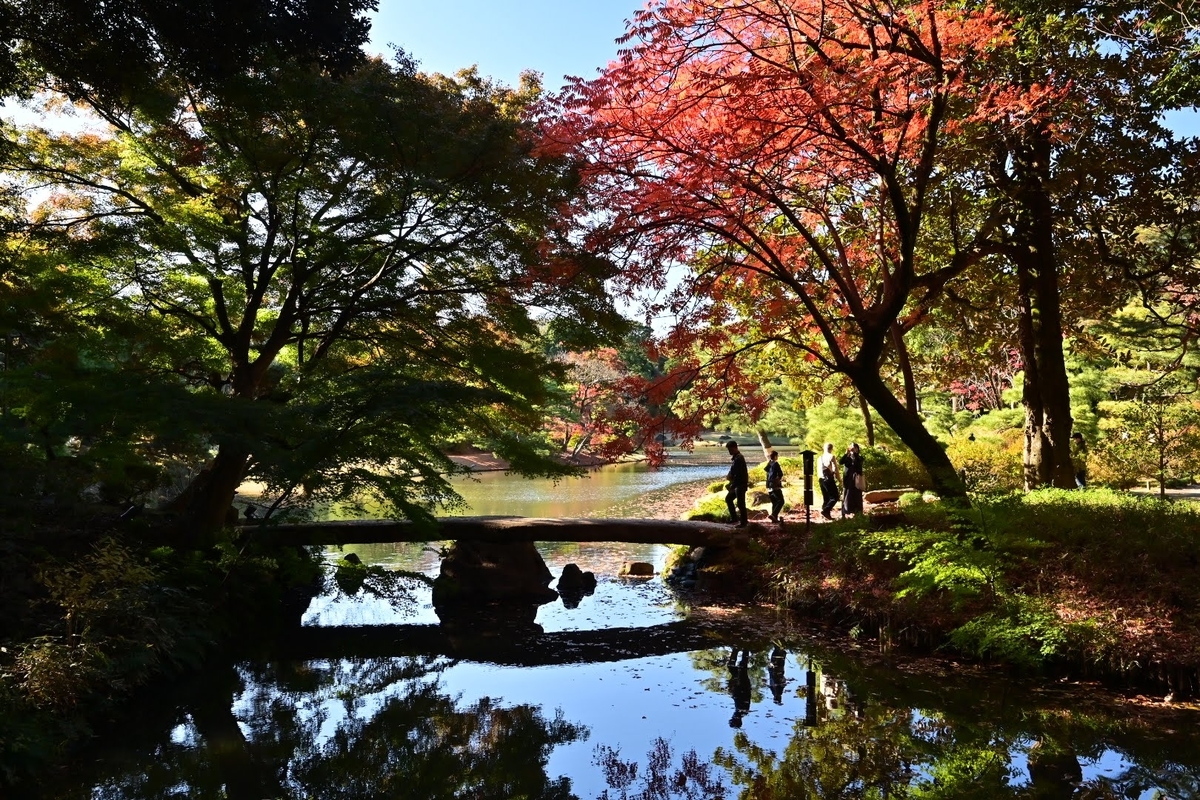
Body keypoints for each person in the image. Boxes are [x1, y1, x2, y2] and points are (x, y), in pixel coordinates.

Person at [725, 440, 749, 527]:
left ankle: (744, 522)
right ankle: (734, 518)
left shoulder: (739, 458)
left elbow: (738, 474)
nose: (729, 451)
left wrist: (732, 485)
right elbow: (734, 471)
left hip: (740, 484)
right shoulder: (736, 458)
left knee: (740, 503)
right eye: (728, 450)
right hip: (738, 484)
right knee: (729, 499)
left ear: (735, 448)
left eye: (730, 449)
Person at [840, 442, 864, 517]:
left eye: (855, 448)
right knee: (847, 495)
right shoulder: (847, 457)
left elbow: (858, 464)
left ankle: (857, 512)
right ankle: (845, 511)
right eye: (852, 448)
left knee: (857, 496)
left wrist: (855, 454)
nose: (854, 449)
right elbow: (841, 462)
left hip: (856, 480)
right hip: (848, 480)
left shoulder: (859, 457)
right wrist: (846, 453)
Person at [818, 442, 839, 520]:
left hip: (821, 479)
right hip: (828, 479)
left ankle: (825, 516)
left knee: (826, 498)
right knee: (835, 497)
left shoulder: (820, 458)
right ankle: (826, 511)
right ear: (831, 448)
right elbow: (835, 469)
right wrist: (840, 480)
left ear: (824, 448)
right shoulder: (831, 456)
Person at [764, 450, 784, 523]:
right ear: (775, 456)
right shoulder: (776, 464)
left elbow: (766, 471)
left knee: (774, 502)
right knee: (781, 501)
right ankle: (774, 514)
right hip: (775, 486)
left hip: (769, 486)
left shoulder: (769, 464)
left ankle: (774, 519)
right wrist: (778, 480)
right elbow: (780, 474)